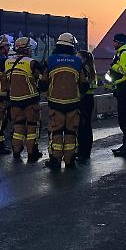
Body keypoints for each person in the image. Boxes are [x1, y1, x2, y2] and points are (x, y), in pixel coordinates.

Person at [39, 33, 87, 169]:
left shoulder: (50, 60)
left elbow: (43, 83)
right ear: (72, 46)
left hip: (55, 103)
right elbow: (84, 84)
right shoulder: (77, 61)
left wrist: (47, 93)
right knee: (71, 132)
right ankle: (70, 161)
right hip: (73, 103)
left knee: (56, 132)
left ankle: (55, 161)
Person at [5, 37, 44, 161]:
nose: (31, 51)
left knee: (18, 126)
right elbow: (43, 76)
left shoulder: (7, 62)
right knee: (32, 127)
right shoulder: (31, 62)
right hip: (30, 100)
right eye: (30, 48)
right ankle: (32, 152)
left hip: (14, 101)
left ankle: (16, 151)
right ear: (26, 49)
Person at [108, 33, 126, 157]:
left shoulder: (124, 53)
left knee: (125, 119)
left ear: (119, 42)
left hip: (125, 87)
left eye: (114, 41)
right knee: (124, 118)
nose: (113, 44)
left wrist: (114, 66)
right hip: (124, 86)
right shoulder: (123, 53)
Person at [77, 49, 97, 162]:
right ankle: (86, 151)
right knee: (87, 125)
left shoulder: (83, 68)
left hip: (83, 98)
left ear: (83, 59)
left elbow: (82, 85)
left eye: (78, 57)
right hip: (90, 98)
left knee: (82, 126)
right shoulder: (90, 68)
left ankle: (82, 151)